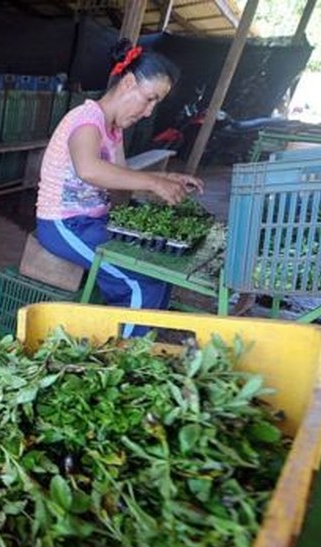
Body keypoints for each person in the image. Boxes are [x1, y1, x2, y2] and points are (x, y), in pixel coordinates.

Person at [35, 39, 204, 337]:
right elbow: (89, 169)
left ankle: (145, 341)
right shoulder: (86, 120)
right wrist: (152, 181)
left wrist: (166, 180)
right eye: (149, 98)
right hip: (64, 223)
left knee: (158, 274)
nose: (150, 112)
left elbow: (120, 180)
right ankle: (124, 361)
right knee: (141, 282)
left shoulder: (114, 130)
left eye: (156, 103)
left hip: (93, 222)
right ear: (127, 83)